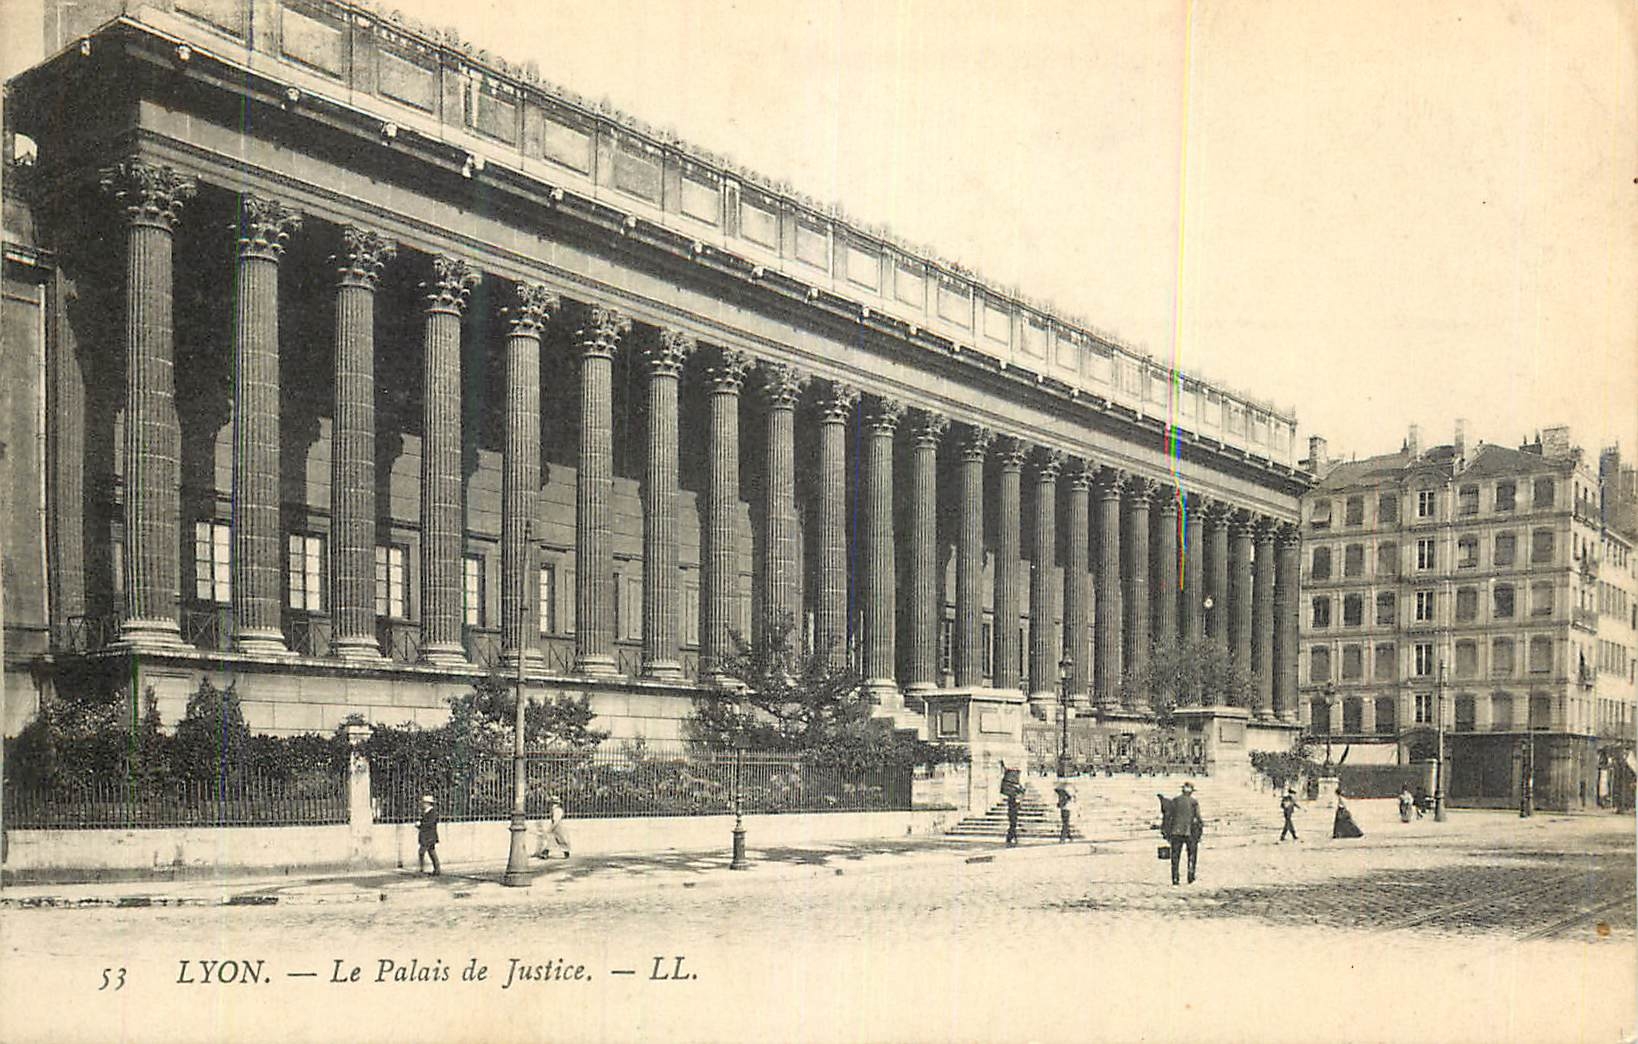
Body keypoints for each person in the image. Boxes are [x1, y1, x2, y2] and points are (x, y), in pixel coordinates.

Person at [1161, 781, 1204, 885]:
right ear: (1191, 792)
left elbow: (1168, 816)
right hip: (1190, 832)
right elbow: (1198, 818)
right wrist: (1200, 832)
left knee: (1175, 856)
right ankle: (1191, 875)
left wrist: (1166, 831)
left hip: (1176, 831)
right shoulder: (1194, 802)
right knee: (1192, 855)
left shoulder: (1175, 801)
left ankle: (1175, 878)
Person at [416, 795, 441, 876]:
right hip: (428, 836)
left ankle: (422, 870)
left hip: (429, 836)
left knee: (421, 852)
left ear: (428, 803)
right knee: (431, 852)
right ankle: (437, 869)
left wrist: (420, 824)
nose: (422, 804)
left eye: (424, 803)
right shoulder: (426, 812)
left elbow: (429, 823)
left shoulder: (432, 812)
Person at [1000, 764, 1024, 846]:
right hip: (1012, 811)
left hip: (1013, 811)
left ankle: (1011, 837)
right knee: (1013, 823)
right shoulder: (1013, 795)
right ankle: (1011, 837)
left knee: (1013, 824)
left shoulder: (1013, 791)